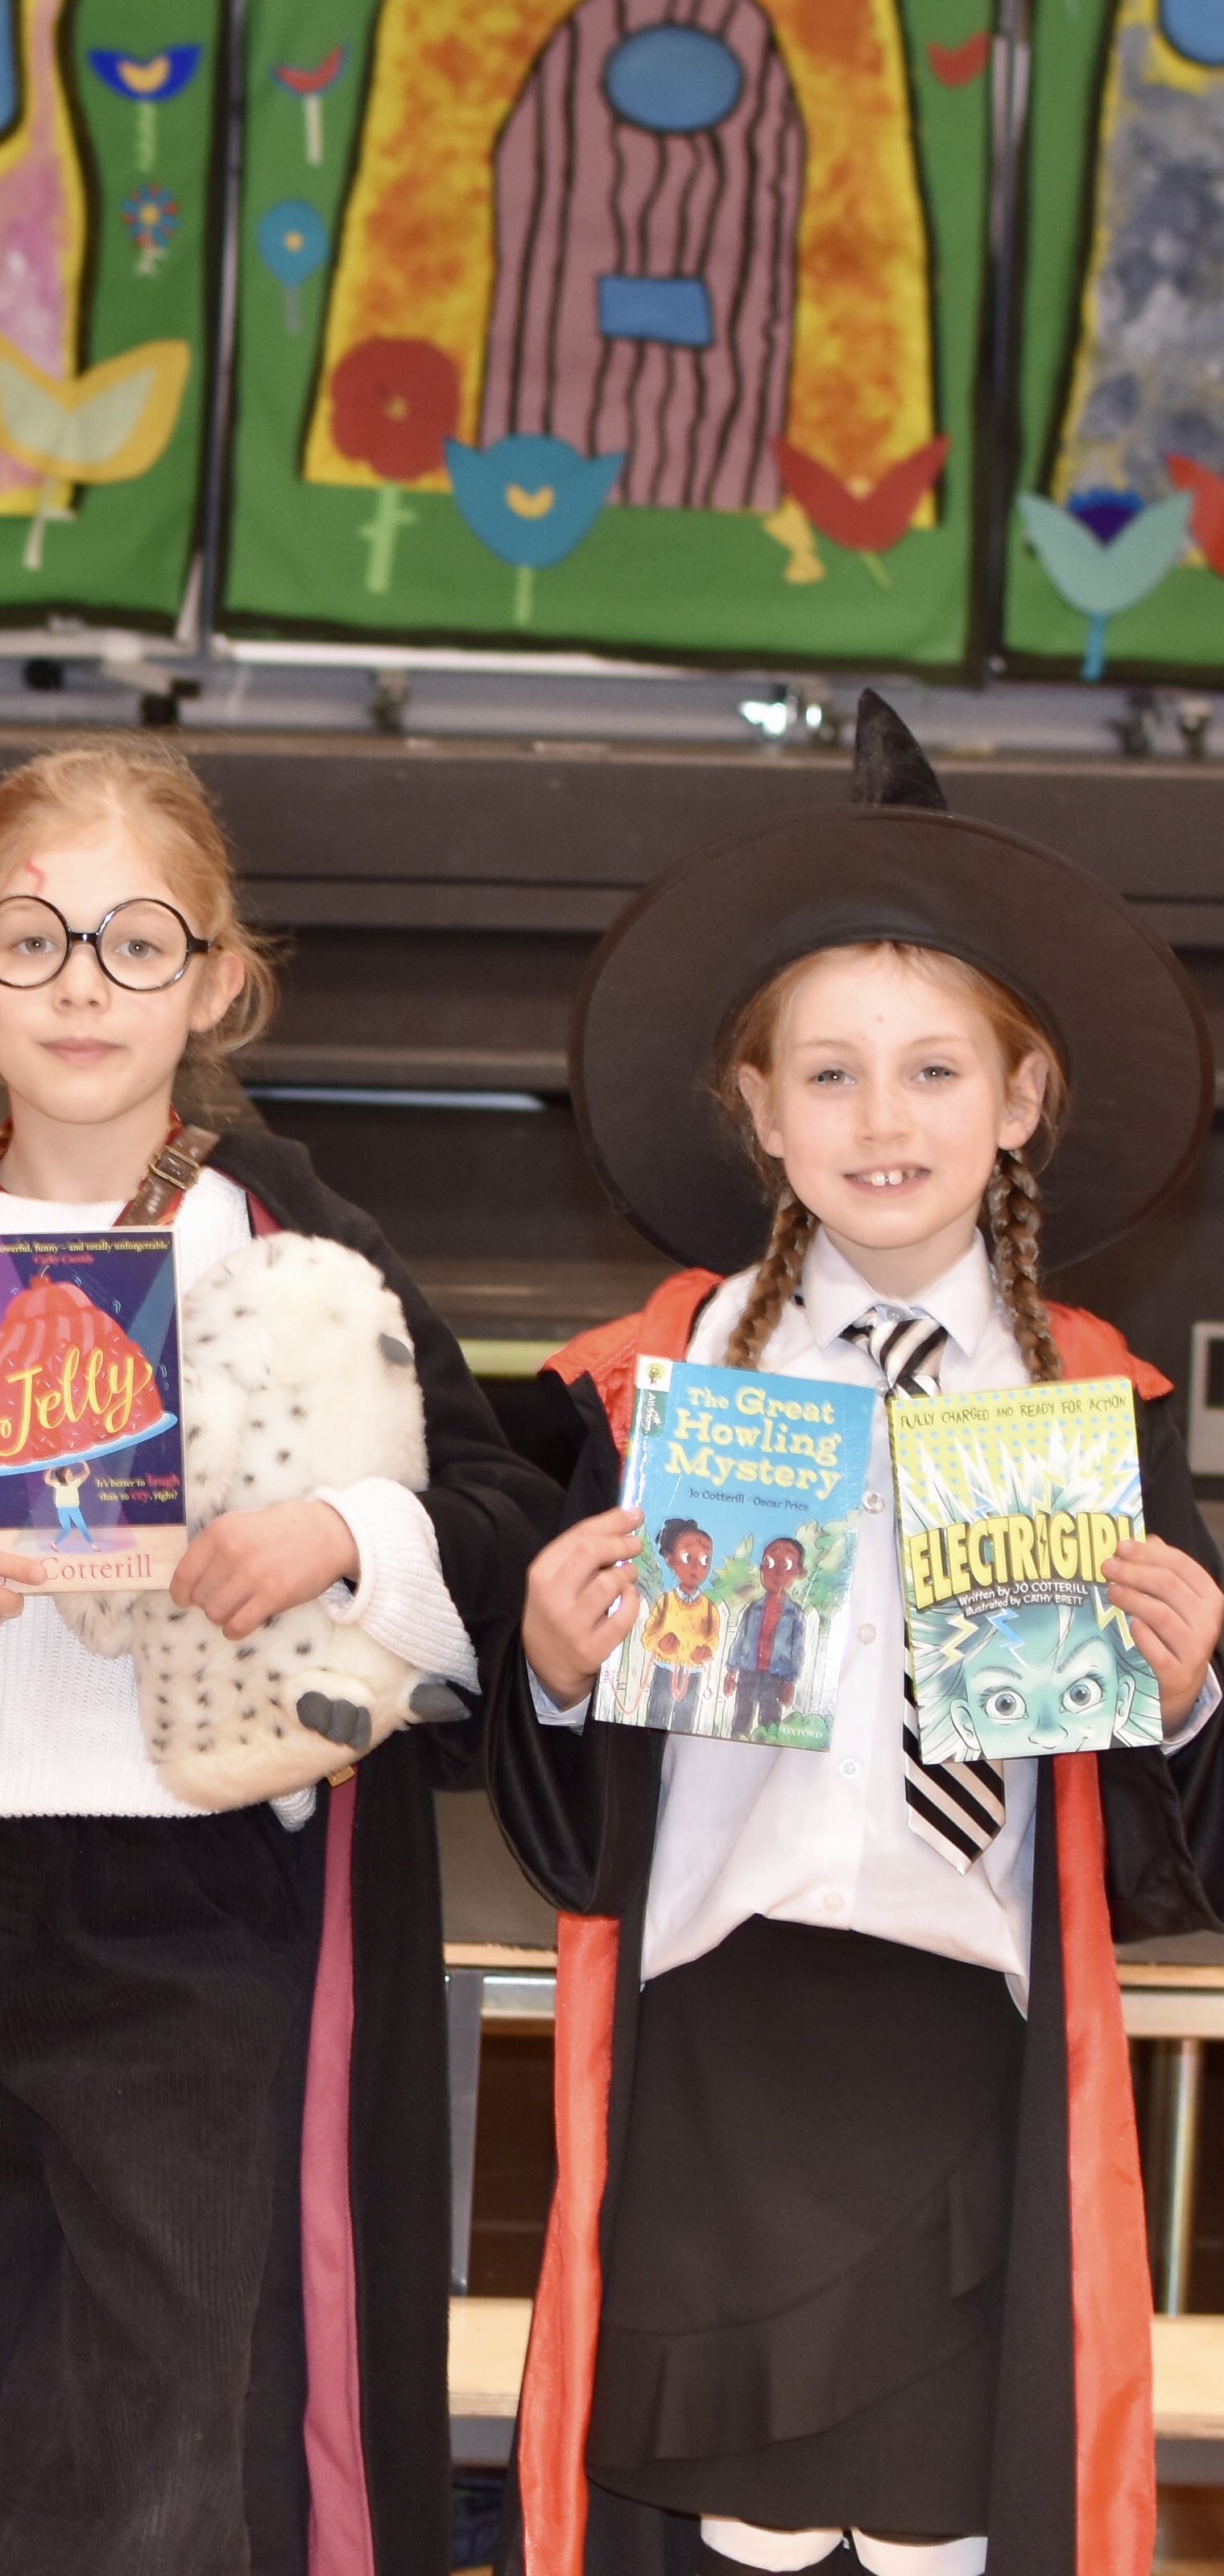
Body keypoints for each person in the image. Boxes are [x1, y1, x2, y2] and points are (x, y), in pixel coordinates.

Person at [0, 739, 554, 2575]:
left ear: (214, 982)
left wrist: (340, 1531)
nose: (80, 984)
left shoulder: (291, 1238)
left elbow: (494, 1515)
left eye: (135, 942)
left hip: (209, 1917)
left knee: (155, 2447)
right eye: (29, 939)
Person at [492, 694, 1224, 2576]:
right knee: (719, 2533)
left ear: (1020, 1098)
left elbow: (1171, 1862)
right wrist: (554, 1670)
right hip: (713, 2037)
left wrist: (1188, 1693)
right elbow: (565, 1823)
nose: (880, 1119)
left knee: (932, 2541)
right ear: (756, 1110)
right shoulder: (654, 1384)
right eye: (826, 1073)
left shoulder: (1092, 1406)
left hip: (968, 2044)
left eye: (931, 1069)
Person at [726, 1536, 809, 1739]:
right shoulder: (753, 1609)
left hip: (776, 1676)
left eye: (786, 1566)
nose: (777, 1572)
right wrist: (731, 1670)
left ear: (798, 1572)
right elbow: (740, 1639)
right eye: (770, 1563)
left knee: (770, 1723)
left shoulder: (794, 1614)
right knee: (741, 1719)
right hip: (748, 1672)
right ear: (762, 1568)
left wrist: (790, 1681)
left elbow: (797, 1649)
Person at [643, 1517, 722, 1729]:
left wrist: (705, 1652)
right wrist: (660, 1644)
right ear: (670, 1559)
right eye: (687, 1557)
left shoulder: (709, 1609)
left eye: (705, 1560)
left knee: (684, 1723)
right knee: (656, 1717)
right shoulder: (666, 1602)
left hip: (692, 1673)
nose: (697, 1566)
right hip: (665, 1669)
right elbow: (648, 1636)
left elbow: (712, 1639)